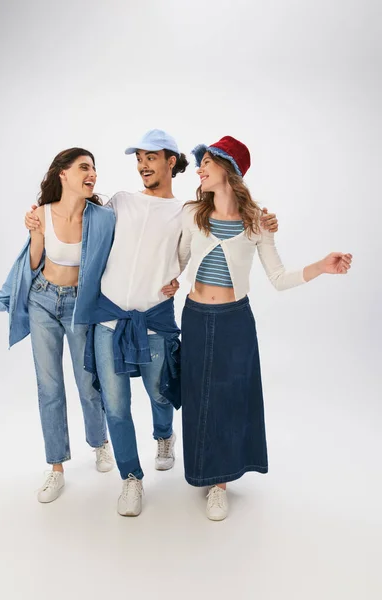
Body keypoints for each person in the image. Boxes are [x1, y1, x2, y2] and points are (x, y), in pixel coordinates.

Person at [25, 130, 279, 517]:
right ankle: (131, 479)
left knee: (162, 394)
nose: (142, 164)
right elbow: (77, 217)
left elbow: (202, 242)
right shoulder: (119, 202)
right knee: (115, 405)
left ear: (171, 162)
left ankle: (164, 436)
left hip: (156, 321)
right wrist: (40, 218)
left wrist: (261, 220)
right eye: (138, 158)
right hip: (109, 320)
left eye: (151, 157)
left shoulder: (187, 212)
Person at [177, 136, 352, 521]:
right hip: (194, 315)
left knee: (226, 397)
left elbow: (278, 276)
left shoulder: (257, 223)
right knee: (195, 392)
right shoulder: (192, 213)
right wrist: (165, 280)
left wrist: (321, 267)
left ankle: (219, 484)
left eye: (206, 162)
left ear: (228, 169)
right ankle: (198, 466)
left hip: (234, 320)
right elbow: (177, 261)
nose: (200, 169)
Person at [0, 148, 116, 503]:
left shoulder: (102, 218)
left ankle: (99, 442)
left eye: (94, 169)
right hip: (41, 300)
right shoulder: (40, 214)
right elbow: (28, 265)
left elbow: (124, 258)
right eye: (84, 167)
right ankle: (55, 466)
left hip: (80, 306)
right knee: (49, 387)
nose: (92, 174)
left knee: (88, 382)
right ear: (63, 174)